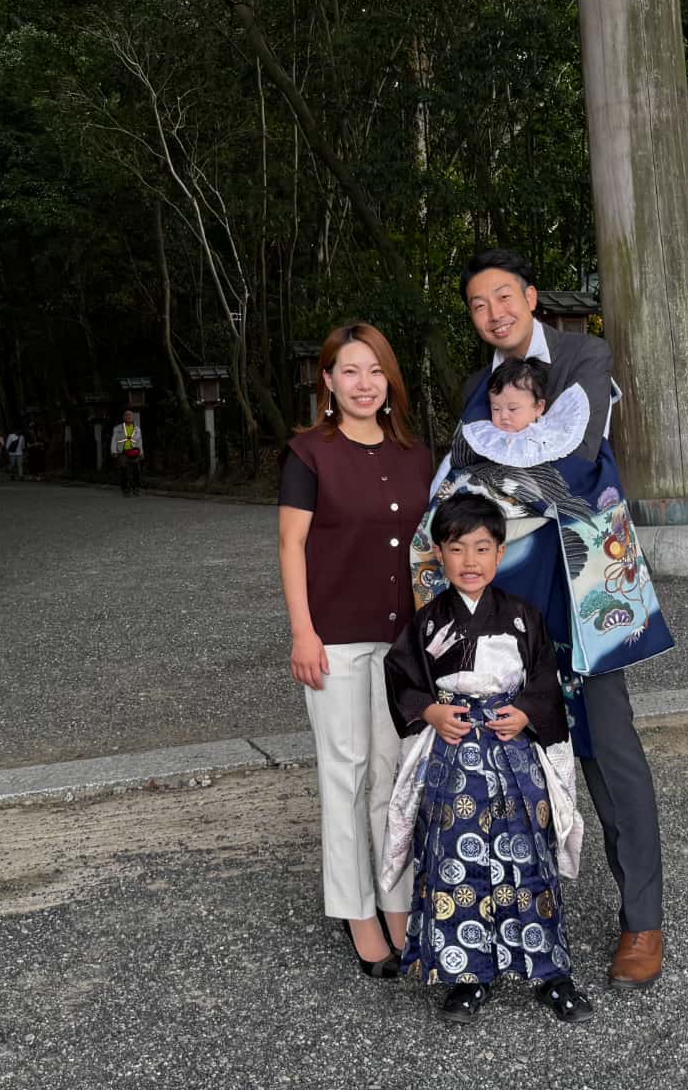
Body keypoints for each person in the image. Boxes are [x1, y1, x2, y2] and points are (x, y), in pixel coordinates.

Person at [441, 248, 675, 989]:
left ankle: (642, 919)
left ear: (530, 296)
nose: (495, 313)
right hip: (514, 592)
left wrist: (502, 482)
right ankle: (519, 912)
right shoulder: (480, 386)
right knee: (512, 743)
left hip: (585, 580)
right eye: (479, 305)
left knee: (609, 745)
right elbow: (459, 478)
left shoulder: (583, 354)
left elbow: (576, 459)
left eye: (504, 297)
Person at [381, 491, 591, 1024]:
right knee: (455, 861)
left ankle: (549, 971)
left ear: (499, 554)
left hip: (512, 752)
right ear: (440, 555)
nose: (470, 562)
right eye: (457, 549)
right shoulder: (427, 623)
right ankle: (468, 974)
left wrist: (525, 711)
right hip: (452, 758)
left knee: (528, 857)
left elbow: (546, 678)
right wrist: (429, 711)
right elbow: (402, 678)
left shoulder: (524, 618)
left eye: (482, 548)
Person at [278, 322, 433, 978]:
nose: (363, 383)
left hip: (402, 640)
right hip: (334, 639)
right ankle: (357, 911)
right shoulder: (310, 452)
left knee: (393, 777)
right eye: (349, 371)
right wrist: (302, 632)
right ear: (328, 381)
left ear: (389, 380)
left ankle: (398, 902)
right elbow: (290, 546)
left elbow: (432, 548)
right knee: (344, 773)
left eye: (374, 371)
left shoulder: (417, 454)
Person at [114, 410, 144, 497]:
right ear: (124, 418)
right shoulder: (118, 428)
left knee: (136, 470)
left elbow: (139, 441)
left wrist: (141, 452)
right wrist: (114, 451)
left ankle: (136, 488)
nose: (128, 417)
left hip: (134, 451)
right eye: (127, 416)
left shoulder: (137, 429)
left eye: (130, 416)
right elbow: (114, 440)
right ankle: (125, 489)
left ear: (132, 418)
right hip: (123, 451)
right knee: (124, 470)